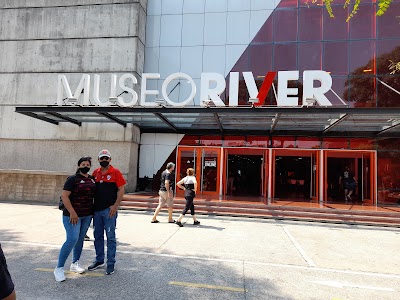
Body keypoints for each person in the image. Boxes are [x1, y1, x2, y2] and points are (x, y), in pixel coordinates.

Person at [54, 156, 95, 282]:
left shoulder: (92, 179)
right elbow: (65, 196)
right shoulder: (72, 179)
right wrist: (72, 212)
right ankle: (59, 268)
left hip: (87, 215)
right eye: (83, 164)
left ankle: (75, 263)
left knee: (80, 239)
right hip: (72, 216)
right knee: (72, 239)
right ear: (79, 166)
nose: (85, 166)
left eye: (87, 164)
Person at [88, 149, 126, 275]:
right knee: (97, 236)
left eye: (106, 158)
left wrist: (115, 206)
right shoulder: (95, 173)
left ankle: (110, 263)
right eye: (102, 158)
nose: (104, 160)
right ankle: (99, 260)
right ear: (98, 160)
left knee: (110, 238)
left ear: (110, 159)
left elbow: (121, 190)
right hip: (97, 211)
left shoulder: (115, 172)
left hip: (109, 211)